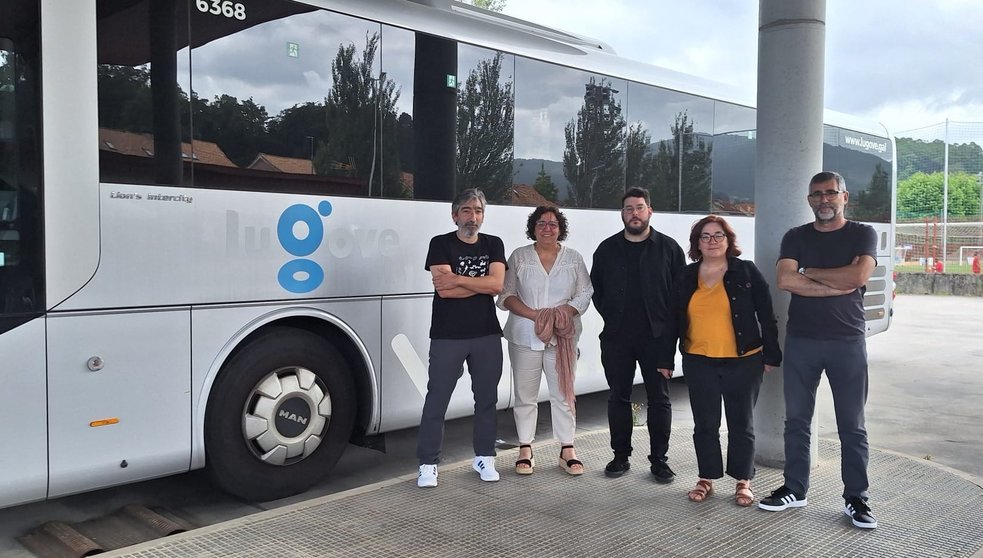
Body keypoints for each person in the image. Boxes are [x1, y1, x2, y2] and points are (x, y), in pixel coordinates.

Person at [758, 171, 879, 530]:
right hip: (802, 342)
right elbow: (785, 279)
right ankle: (795, 488)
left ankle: (856, 498)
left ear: (845, 197)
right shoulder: (795, 237)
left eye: (830, 193)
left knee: (852, 426)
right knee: (796, 421)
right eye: (816, 195)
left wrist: (809, 275)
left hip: (847, 342)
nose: (823, 200)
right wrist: (834, 282)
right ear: (809, 199)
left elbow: (858, 278)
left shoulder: (862, 234)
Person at [671, 215, 781, 506]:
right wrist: (664, 357)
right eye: (705, 236)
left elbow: (766, 315)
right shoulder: (685, 275)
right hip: (699, 361)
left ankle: (743, 480)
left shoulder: (746, 271)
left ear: (729, 240)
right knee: (705, 424)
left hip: (743, 361)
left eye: (718, 235)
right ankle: (706, 477)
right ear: (697, 243)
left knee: (740, 424)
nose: (712, 241)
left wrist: (771, 353)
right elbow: (673, 320)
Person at [591, 187, 686, 482]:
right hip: (617, 338)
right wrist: (613, 317)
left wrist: (671, 338)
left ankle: (659, 460)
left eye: (640, 207)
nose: (635, 213)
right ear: (622, 214)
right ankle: (620, 457)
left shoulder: (669, 249)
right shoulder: (607, 249)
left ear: (650, 211)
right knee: (619, 397)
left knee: (659, 399)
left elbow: (678, 296)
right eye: (629, 208)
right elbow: (598, 290)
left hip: (657, 339)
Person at [416, 188, 507, 488]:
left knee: (486, 400)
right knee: (437, 399)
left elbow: (496, 286)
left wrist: (457, 278)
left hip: (486, 335)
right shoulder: (440, 244)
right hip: (447, 335)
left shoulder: (494, 244)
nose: (473, 217)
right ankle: (428, 463)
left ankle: (484, 457)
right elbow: (444, 290)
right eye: (466, 211)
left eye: (478, 211)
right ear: (455, 215)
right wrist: (476, 284)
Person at [498, 206, 594, 476]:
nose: (548, 228)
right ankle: (525, 448)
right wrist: (536, 316)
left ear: (560, 228)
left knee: (563, 393)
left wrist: (565, 312)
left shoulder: (573, 259)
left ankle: (567, 449)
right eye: (542, 223)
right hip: (524, 334)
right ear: (533, 228)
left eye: (553, 224)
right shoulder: (519, 257)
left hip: (562, 337)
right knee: (525, 395)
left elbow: (585, 292)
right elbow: (506, 295)